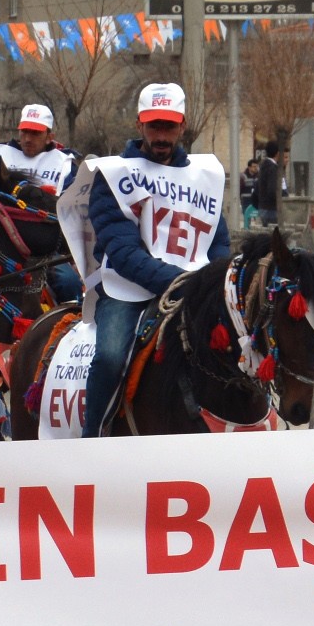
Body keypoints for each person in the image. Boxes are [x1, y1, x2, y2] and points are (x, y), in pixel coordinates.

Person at [83, 82, 229, 434]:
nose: (161, 135)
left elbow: (218, 241)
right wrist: (185, 283)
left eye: (169, 126)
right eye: (154, 126)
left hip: (193, 287)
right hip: (127, 290)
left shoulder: (204, 176)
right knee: (110, 357)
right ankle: (89, 439)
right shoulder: (114, 175)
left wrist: (214, 283)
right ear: (139, 125)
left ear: (182, 126)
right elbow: (123, 252)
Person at [0, 103, 75, 196]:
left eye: (35, 133)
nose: (27, 139)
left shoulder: (65, 164)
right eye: (24, 131)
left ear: (49, 138)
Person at [247, 137, 285, 230]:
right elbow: (272, 190)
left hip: (262, 208)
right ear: (277, 153)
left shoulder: (263, 166)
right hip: (271, 209)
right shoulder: (273, 168)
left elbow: (256, 189)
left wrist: (259, 205)